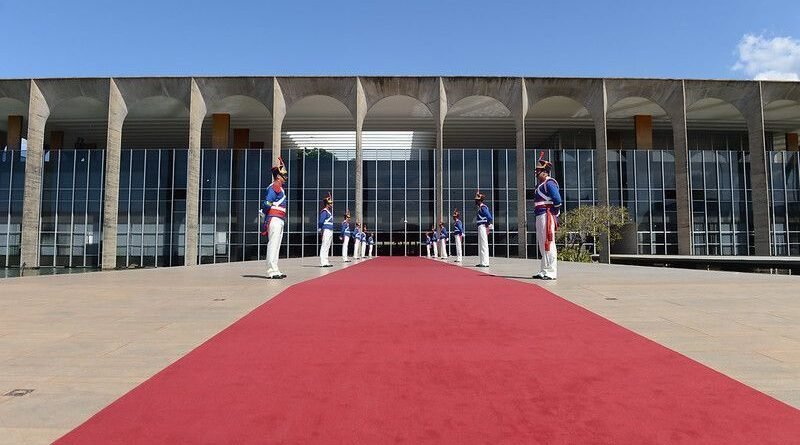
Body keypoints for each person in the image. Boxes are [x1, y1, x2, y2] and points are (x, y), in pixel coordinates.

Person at [533, 152, 562, 280]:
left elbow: (557, 199)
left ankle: (551, 271)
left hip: (546, 215)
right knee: (542, 243)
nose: (536, 173)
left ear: (545, 171)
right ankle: (544, 270)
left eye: (538, 171)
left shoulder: (549, 183)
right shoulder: (540, 184)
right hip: (540, 215)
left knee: (548, 242)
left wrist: (555, 212)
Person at [260, 157, 288, 279]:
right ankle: (271, 270)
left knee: (276, 245)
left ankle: (275, 269)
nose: (285, 177)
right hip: (275, 218)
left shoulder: (279, 187)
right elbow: (267, 203)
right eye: (283, 175)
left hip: (279, 219)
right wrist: (266, 214)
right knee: (273, 244)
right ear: (278, 176)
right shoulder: (275, 186)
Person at [475, 191, 493, 267]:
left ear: (480, 200)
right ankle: (482, 261)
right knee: (481, 244)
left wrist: (487, 224)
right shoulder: (480, 208)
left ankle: (485, 262)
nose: (475, 201)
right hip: (480, 226)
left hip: (483, 226)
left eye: (477, 200)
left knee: (484, 244)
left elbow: (489, 217)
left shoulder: (483, 207)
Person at [318, 193, 334, 267]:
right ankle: (322, 262)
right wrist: (320, 229)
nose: (331, 204)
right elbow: (321, 221)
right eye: (330, 203)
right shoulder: (324, 211)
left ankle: (326, 261)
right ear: (327, 204)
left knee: (328, 246)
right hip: (326, 230)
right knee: (324, 245)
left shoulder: (329, 212)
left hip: (330, 230)